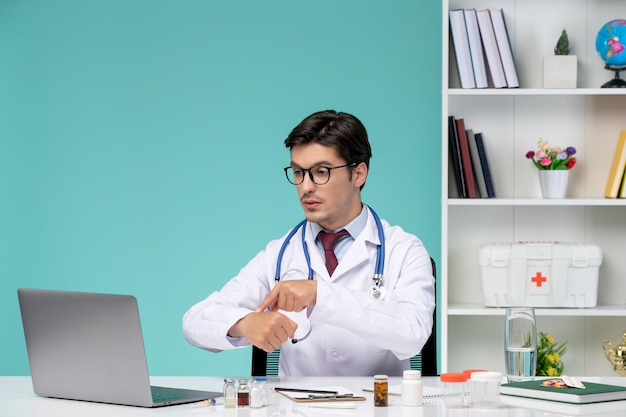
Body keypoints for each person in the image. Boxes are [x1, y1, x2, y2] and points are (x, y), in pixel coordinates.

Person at [183, 110, 435, 376]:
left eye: (321, 172)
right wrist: (243, 324)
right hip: (296, 408)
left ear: (359, 173)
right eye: (298, 172)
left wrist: (321, 294)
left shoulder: (404, 250)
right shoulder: (280, 253)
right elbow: (195, 321)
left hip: (376, 407)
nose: (306, 187)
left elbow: (414, 333)